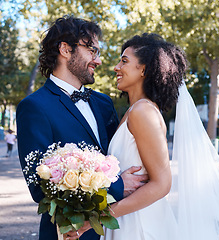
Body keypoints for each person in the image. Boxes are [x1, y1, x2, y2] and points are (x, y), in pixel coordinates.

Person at [96, 33, 219, 240]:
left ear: (144, 69)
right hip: (126, 216)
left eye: (124, 61)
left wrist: (101, 216)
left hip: (138, 224)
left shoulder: (143, 112)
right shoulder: (134, 111)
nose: (116, 67)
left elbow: (161, 184)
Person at [16, 16, 148, 240]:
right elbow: (40, 188)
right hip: (70, 233)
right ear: (66, 49)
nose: (98, 61)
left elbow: (117, 156)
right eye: (92, 50)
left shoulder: (104, 103)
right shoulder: (33, 107)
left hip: (120, 228)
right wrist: (116, 186)